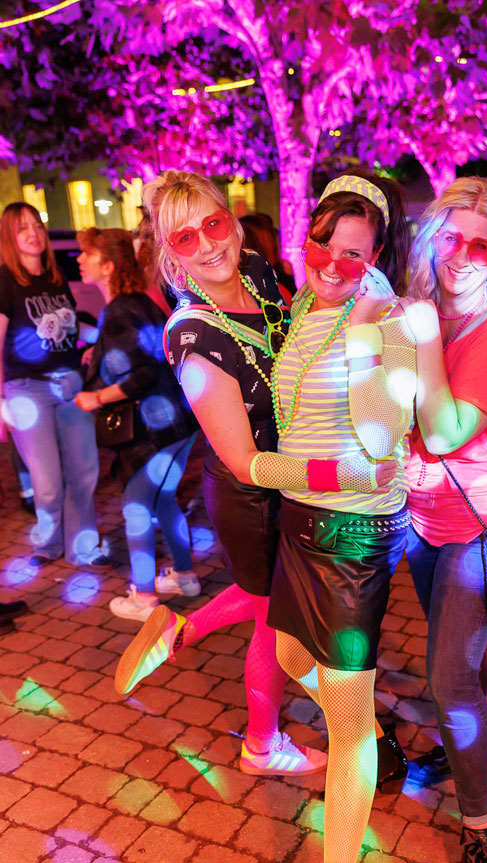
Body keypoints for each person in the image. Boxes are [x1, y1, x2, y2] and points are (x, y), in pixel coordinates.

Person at [249, 173, 415, 863]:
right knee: (288, 655)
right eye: (324, 244)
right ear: (306, 237)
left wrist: (375, 337)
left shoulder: (389, 318)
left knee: (343, 722)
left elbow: (383, 443)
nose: (334, 263)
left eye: (355, 253)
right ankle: (375, 727)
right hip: (299, 526)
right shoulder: (304, 308)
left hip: (352, 538)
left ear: (377, 256)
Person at [114, 170, 334, 780]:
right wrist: (340, 473)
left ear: (233, 222)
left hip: (291, 476)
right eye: (185, 237)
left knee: (264, 597)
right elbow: (242, 461)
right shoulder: (191, 333)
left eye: (213, 224)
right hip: (253, 494)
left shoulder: (258, 272)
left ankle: (176, 633)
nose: (208, 245)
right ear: (170, 253)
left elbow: (302, 336)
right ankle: (261, 745)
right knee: (273, 617)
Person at [404, 177, 487, 863]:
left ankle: (480, 825)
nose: (461, 254)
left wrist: (420, 337)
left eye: (480, 244)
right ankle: (464, 748)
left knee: (449, 677)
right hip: (422, 522)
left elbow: (448, 429)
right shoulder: (425, 318)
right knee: (462, 667)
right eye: (450, 237)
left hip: (480, 528)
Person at [72, 228, 200, 618]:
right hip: (179, 423)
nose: (80, 259)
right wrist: (99, 354)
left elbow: (142, 373)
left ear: (108, 266)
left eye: (88, 253)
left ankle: (144, 599)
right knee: (164, 500)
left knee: (136, 508)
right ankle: (185, 577)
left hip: (154, 429)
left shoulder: (120, 310)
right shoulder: (136, 302)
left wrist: (96, 397)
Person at [0, 202, 108, 567]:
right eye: (22, 228)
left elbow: (71, 327)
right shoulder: (4, 280)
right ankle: (48, 545)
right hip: (27, 390)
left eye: (36, 225)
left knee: (84, 470)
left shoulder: (56, 276)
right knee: (46, 480)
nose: (33, 233)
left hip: (70, 384)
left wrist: (105, 337)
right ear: (9, 237)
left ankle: (84, 548)